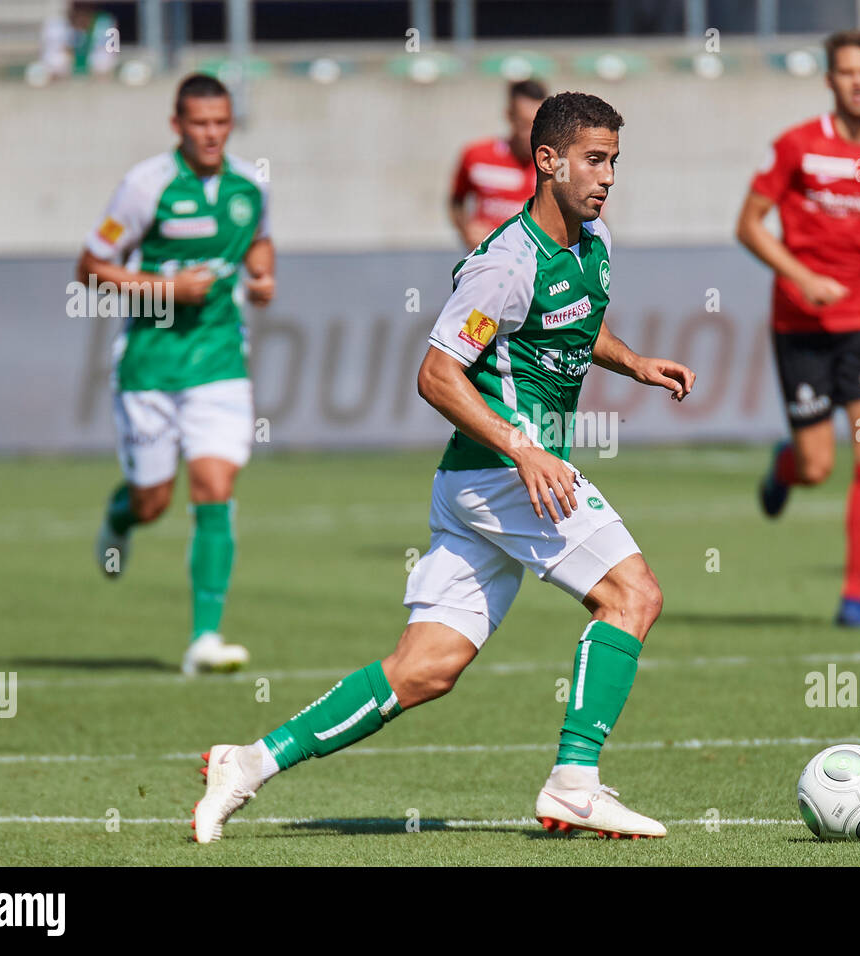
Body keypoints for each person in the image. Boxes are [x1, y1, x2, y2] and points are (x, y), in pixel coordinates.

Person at [192, 92, 697, 843]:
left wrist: (633, 363)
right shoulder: (505, 264)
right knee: (634, 596)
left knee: (423, 669)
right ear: (547, 162)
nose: (608, 177)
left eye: (615, 161)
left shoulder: (595, 244)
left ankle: (248, 763)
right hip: (507, 474)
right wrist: (523, 447)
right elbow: (436, 374)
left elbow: (572, 326)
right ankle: (575, 782)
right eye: (594, 160)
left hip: (478, 485)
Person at [82, 74, 274, 674]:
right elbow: (90, 268)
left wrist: (263, 277)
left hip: (219, 363)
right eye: (199, 123)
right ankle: (121, 516)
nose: (211, 133)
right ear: (177, 125)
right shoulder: (145, 186)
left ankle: (203, 640)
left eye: (220, 122)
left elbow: (258, 244)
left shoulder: (251, 185)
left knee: (215, 488)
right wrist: (167, 288)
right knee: (153, 500)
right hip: (151, 367)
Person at [736, 30, 860, 629]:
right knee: (819, 467)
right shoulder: (796, 146)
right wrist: (801, 276)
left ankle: (854, 597)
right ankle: (787, 464)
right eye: (847, 72)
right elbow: (749, 226)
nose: (859, 82)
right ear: (830, 80)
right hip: (802, 326)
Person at [449, 79, 547, 249]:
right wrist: (466, 230)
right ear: (509, 115)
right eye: (524, 124)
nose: (531, 133)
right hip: (488, 261)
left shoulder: (559, 165)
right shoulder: (477, 156)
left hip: (542, 266)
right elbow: (456, 201)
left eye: (537, 125)